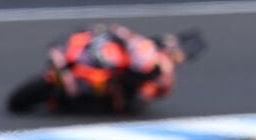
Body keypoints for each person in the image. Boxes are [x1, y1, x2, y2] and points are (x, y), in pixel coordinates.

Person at [47, 23, 184, 112]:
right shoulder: (141, 44)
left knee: (124, 104)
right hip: (115, 65)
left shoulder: (162, 70)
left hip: (126, 82)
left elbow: (159, 90)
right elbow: (118, 31)